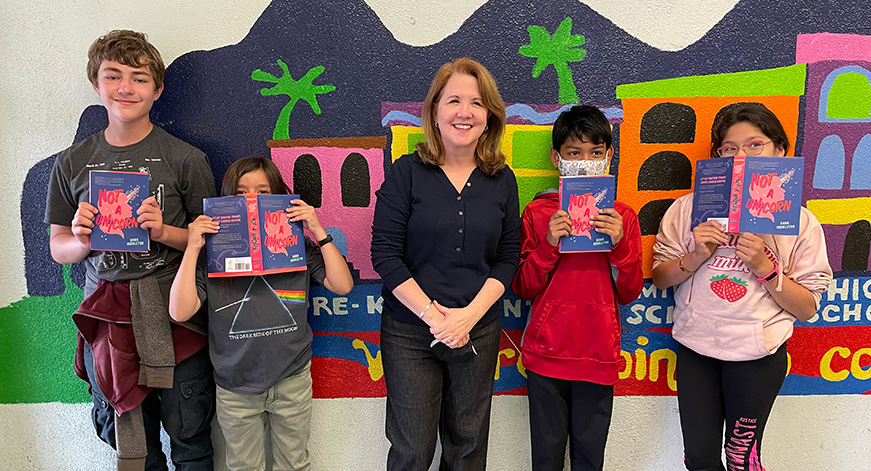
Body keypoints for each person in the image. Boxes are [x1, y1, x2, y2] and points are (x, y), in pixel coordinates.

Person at [44, 30, 217, 470]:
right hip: (106, 317)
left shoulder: (185, 159)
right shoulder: (71, 162)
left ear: (157, 90)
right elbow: (59, 248)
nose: (126, 87)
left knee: (191, 436)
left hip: (176, 315)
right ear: (96, 84)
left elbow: (211, 239)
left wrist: (163, 232)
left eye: (139, 78)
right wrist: (82, 240)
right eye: (113, 76)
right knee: (130, 440)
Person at [652, 103, 833, 471]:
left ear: (779, 150)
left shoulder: (800, 222)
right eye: (729, 148)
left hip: (758, 355)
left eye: (754, 145)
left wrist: (766, 269)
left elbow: (807, 307)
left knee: (741, 459)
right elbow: (660, 277)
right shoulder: (687, 210)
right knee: (699, 458)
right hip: (697, 348)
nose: (741, 157)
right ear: (718, 156)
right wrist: (696, 256)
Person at [371, 57, 521, 469]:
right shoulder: (406, 173)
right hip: (410, 331)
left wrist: (467, 318)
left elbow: (508, 258)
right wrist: (435, 319)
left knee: (467, 447)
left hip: (478, 330)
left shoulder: (502, 180)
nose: (464, 112)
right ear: (435, 111)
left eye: (477, 102)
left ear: (489, 116)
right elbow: (384, 254)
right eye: (454, 100)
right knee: (412, 450)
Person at [169, 156, 353, 471]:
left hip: (291, 376)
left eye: (262, 192)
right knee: (243, 466)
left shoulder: (297, 247)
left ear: (278, 196)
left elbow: (342, 285)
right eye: (241, 193)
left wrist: (317, 230)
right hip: (235, 383)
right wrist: (194, 247)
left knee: (294, 464)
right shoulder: (213, 254)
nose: (251, 201)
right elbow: (180, 310)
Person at [511, 105, 643, 471]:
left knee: (589, 459)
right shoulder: (538, 214)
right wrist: (549, 244)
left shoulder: (622, 217)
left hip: (598, 355)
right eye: (574, 153)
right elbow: (522, 286)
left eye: (595, 152)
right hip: (546, 355)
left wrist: (619, 246)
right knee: (546, 459)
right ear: (557, 158)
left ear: (609, 156)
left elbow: (629, 292)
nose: (585, 162)